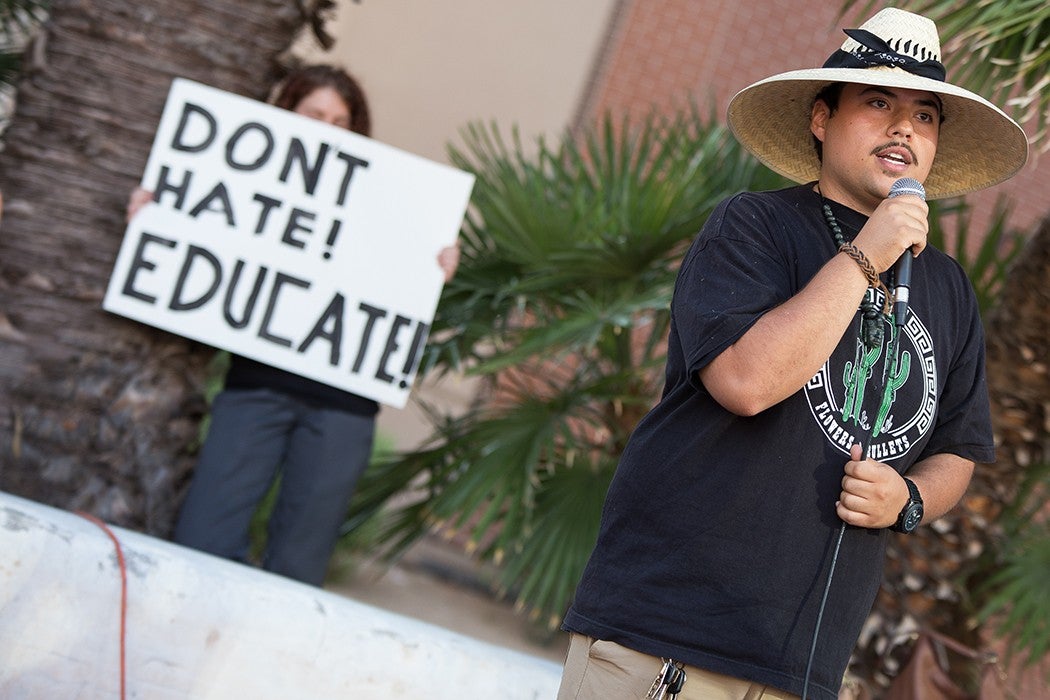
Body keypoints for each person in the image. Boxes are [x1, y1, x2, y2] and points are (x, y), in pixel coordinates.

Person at [557, 8, 1027, 700]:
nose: (905, 127)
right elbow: (746, 382)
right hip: (670, 637)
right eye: (877, 101)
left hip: (804, 670)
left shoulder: (948, 289)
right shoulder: (752, 227)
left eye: (925, 116)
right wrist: (870, 251)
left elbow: (960, 447)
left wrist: (910, 498)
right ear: (820, 119)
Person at [127, 64, 459, 586]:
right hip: (255, 389)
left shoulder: (385, 205)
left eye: (340, 120)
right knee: (202, 541)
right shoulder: (245, 184)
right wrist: (157, 218)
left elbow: (396, 285)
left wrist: (432, 264)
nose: (327, 128)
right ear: (287, 115)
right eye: (315, 114)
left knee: (296, 571)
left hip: (344, 408)